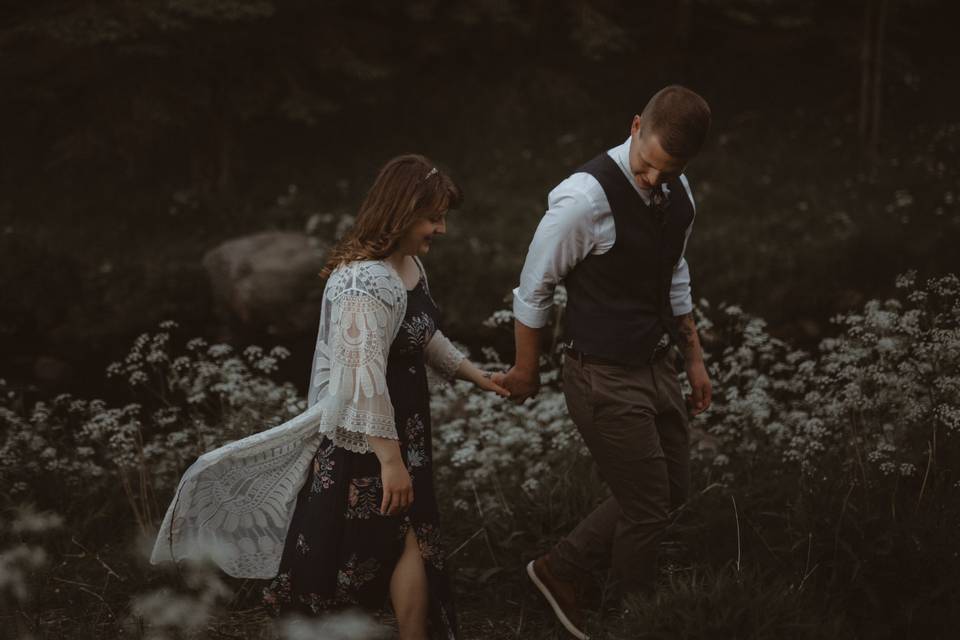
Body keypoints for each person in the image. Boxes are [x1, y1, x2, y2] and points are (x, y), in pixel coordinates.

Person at [150, 154, 509, 640]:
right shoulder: (363, 282)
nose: (441, 229)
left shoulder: (409, 265)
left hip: (404, 429)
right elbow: (363, 377)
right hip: (365, 435)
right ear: (402, 212)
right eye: (433, 217)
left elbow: (421, 333)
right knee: (365, 544)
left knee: (410, 535)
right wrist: (390, 460)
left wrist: (475, 374)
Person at [496, 85, 713, 639]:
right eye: (647, 166)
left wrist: (694, 360)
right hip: (600, 371)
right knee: (647, 508)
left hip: (657, 363)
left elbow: (675, 272)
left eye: (667, 172)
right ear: (635, 125)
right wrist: (526, 370)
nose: (652, 181)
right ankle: (640, 620)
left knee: (674, 490)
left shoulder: (678, 189)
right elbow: (533, 288)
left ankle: (560, 567)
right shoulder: (583, 201)